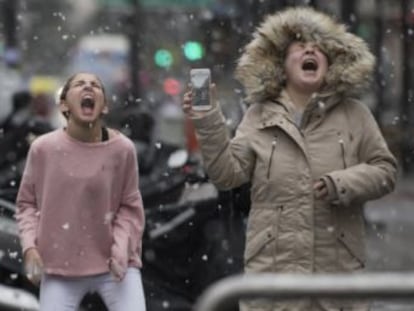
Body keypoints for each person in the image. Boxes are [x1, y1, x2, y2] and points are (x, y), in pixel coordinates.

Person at [182, 6, 397, 311]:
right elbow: (227, 174)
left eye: (319, 47)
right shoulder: (258, 115)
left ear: (331, 62)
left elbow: (386, 170)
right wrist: (207, 120)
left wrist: (342, 183)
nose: (310, 49)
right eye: (299, 45)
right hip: (273, 284)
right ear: (281, 64)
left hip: (337, 283)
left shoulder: (355, 114)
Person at [15, 72, 146, 311]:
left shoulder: (123, 149)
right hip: (59, 267)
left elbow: (130, 206)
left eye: (96, 85)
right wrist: (30, 247)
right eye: (79, 84)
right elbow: (26, 204)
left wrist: (120, 248)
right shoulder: (43, 148)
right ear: (64, 104)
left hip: (116, 268)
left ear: (104, 106)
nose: (88, 87)